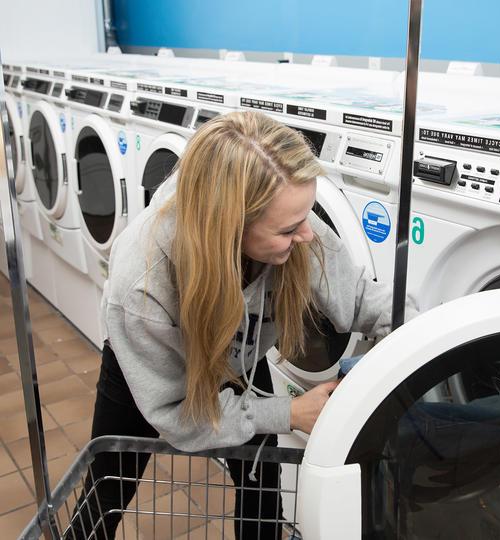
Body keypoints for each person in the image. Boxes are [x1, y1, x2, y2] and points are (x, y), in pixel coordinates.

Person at [71, 111, 417, 539]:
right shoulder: (142, 285)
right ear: (230, 225)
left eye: (307, 215)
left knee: (261, 486)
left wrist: (429, 337)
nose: (309, 234)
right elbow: (179, 417)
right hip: (148, 370)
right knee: (107, 490)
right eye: (289, 228)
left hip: (240, 359)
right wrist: (288, 412)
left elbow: (362, 299)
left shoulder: (290, 216)